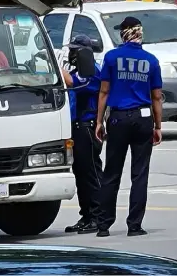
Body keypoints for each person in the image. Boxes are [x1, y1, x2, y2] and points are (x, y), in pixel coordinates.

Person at [95, 16, 163, 237]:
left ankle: (104, 225)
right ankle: (134, 225)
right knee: (139, 174)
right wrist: (158, 126)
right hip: (143, 119)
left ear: (125, 33)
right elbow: (156, 97)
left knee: (112, 172)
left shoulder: (112, 58)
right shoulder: (151, 61)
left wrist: (99, 121)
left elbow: (104, 92)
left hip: (118, 118)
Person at [62, 34, 104, 234]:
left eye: (75, 50)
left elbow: (72, 83)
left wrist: (54, 66)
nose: (72, 54)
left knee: (91, 174)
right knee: (80, 173)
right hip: (76, 127)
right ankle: (86, 215)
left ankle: (97, 216)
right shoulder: (77, 70)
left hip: (88, 126)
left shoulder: (92, 71)